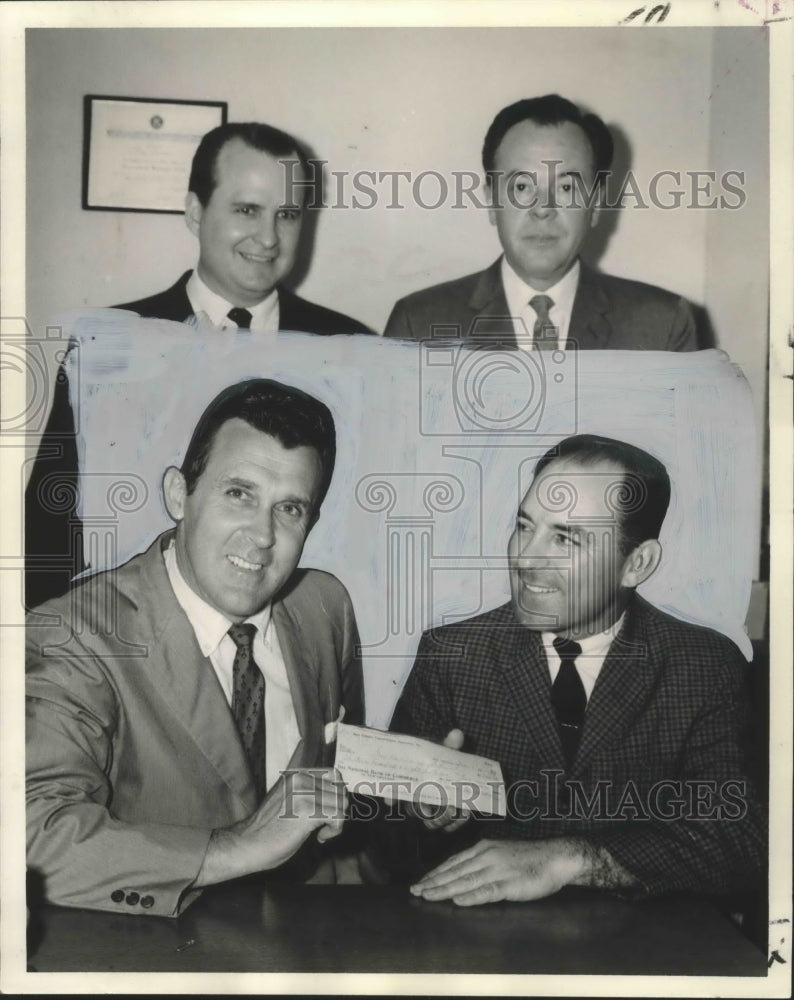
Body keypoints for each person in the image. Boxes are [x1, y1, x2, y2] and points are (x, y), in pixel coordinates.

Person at [26, 378, 363, 917]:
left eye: (290, 509)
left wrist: (423, 804)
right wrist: (241, 846)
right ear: (178, 495)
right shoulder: (72, 635)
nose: (262, 536)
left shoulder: (325, 606)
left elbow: (338, 801)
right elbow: (33, 840)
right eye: (239, 494)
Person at [388, 434, 764, 905]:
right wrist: (423, 815)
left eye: (565, 538)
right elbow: (385, 850)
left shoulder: (705, 667)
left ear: (637, 563)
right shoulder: (450, 655)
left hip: (644, 956)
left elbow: (742, 843)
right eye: (525, 527)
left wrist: (576, 858)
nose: (526, 558)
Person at [25, 121, 372, 609]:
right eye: (247, 209)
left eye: (288, 214)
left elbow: (362, 525)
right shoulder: (110, 343)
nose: (269, 237)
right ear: (195, 212)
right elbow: (49, 525)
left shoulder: (351, 346)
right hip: (133, 635)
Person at [384, 95, 697, 352]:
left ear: (596, 204)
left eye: (565, 188)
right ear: (492, 201)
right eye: (521, 187)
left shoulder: (663, 327)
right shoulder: (418, 326)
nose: (542, 209)